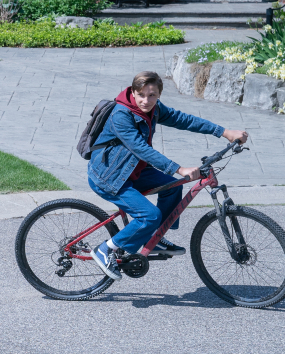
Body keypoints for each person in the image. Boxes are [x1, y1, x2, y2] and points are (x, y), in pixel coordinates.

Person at [88, 70, 249, 280]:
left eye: (152, 95)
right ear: (133, 93)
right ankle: (106, 249)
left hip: (132, 169)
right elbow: (140, 149)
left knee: (174, 186)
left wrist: (223, 131)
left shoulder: (154, 109)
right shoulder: (121, 115)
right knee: (149, 215)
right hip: (109, 176)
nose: (146, 101)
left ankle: (154, 238)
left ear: (159, 95)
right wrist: (178, 168)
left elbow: (183, 119)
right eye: (142, 95)